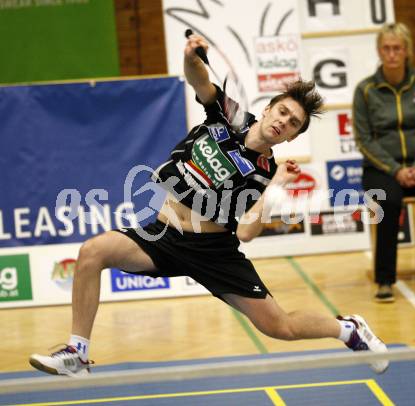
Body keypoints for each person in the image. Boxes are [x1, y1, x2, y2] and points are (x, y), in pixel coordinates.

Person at [29, 33, 388, 376]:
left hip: (211, 251)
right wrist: (190, 57)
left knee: (279, 326)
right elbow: (201, 81)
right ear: (268, 109)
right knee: (93, 252)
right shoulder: (231, 116)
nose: (283, 122)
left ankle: (349, 330)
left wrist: (275, 188)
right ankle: (77, 353)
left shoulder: (264, 171)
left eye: (292, 123)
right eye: (282, 112)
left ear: (293, 135)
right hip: (162, 235)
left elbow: (246, 231)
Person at [353, 22, 415, 302]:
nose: (391, 54)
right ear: (379, 52)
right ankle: (385, 280)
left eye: (397, 48)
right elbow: (364, 140)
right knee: (388, 202)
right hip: (381, 169)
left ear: (407, 51)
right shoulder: (365, 90)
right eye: (386, 48)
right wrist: (396, 170)